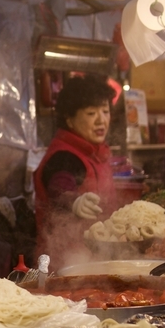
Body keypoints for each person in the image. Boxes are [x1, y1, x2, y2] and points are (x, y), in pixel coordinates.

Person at [33, 73, 119, 269]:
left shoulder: (94, 152)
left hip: (95, 262)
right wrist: (74, 202)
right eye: (91, 113)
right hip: (65, 266)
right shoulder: (64, 156)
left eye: (105, 111)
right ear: (69, 120)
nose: (101, 120)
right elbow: (59, 188)